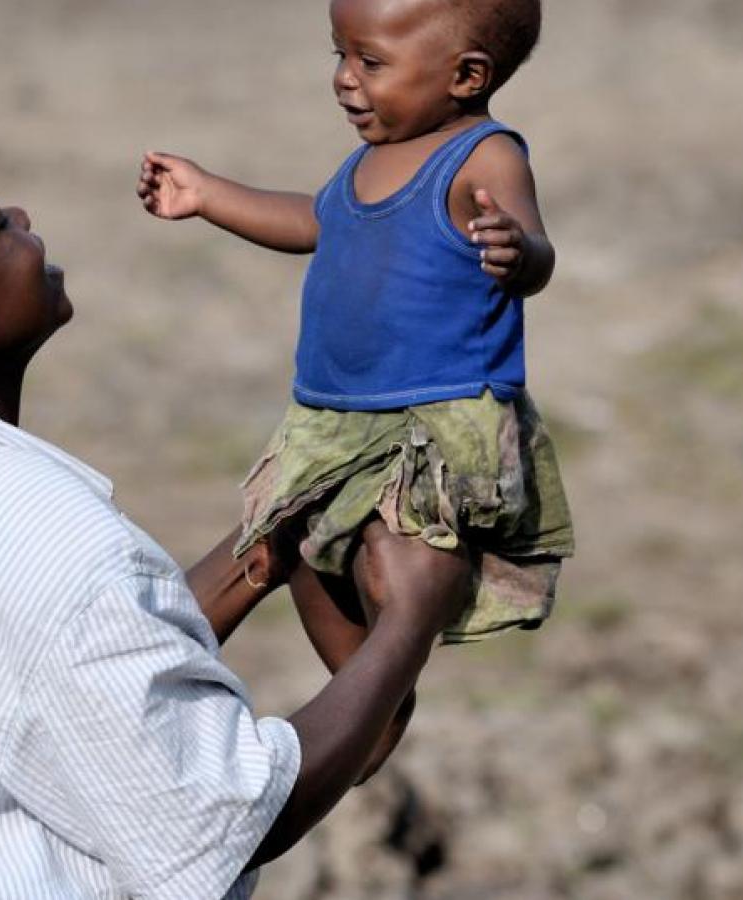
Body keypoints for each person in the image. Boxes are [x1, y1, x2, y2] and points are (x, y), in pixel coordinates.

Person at [0, 130, 463, 899]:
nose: (23, 215)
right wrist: (407, 624)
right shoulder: (35, 526)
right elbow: (226, 820)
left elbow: (52, 679)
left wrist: (258, 558)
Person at [137, 0, 575, 779]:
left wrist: (519, 252)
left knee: (388, 572)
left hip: (430, 430)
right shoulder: (369, 160)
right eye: (338, 55)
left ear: (465, 75)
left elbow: (536, 248)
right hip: (330, 424)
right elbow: (316, 221)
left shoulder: (484, 156)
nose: (344, 80)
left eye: (369, 62)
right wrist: (209, 195)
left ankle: (374, 700)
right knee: (302, 558)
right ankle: (366, 708)